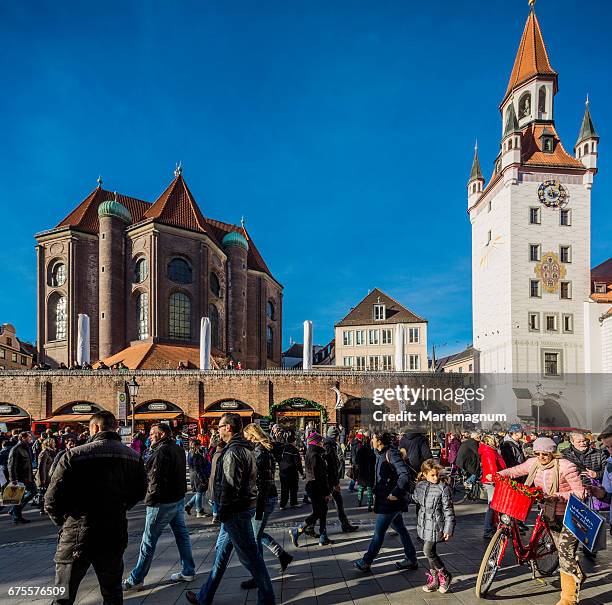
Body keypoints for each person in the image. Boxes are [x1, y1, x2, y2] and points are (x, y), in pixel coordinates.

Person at [45, 411, 147, 605]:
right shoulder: (133, 457)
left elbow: (51, 499)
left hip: (77, 531)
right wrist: (121, 506)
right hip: (113, 530)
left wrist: (64, 522)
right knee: (112, 593)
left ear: (96, 428)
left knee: (63, 595)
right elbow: (140, 491)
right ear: (115, 428)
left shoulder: (74, 455)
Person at [185, 413, 275, 605]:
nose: (217, 430)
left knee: (252, 558)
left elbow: (230, 486)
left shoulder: (233, 452)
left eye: (220, 426)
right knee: (221, 555)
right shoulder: (245, 448)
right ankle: (204, 596)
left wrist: (223, 512)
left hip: (235, 512)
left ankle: (268, 599)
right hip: (239, 510)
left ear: (229, 428)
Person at [496, 437, 585, 605]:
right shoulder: (533, 463)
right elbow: (515, 471)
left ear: (553, 452)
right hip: (549, 514)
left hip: (569, 515)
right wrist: (497, 475)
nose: (541, 457)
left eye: (545, 453)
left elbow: (581, 493)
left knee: (565, 553)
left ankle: (568, 599)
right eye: (537, 453)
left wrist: (556, 496)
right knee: (562, 552)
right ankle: (576, 575)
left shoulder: (566, 467)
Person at [124, 423, 196, 590]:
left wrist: (149, 498)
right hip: (177, 499)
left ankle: (136, 578)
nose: (149, 436)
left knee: (148, 541)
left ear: (162, 434)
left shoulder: (160, 451)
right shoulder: (178, 449)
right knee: (182, 535)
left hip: (161, 502)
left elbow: (154, 479)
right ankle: (188, 570)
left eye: (152, 433)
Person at [354, 431, 418, 572]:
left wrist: (395, 493)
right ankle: (412, 558)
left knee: (379, 532)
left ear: (380, 441)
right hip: (385, 498)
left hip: (390, 501)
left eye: (374, 438)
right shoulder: (379, 453)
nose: (371, 440)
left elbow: (404, 475)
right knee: (401, 529)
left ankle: (366, 561)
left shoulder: (391, 454)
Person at [240, 423, 293, 590]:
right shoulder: (263, 450)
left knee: (253, 539)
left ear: (253, 436)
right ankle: (282, 555)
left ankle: (259, 577)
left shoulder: (260, 453)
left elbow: (262, 482)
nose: (245, 439)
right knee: (257, 533)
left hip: (263, 499)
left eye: (247, 436)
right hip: (266, 498)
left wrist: (257, 506)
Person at [411, 459, 455, 593]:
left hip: (436, 524)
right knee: (431, 553)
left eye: (437, 474)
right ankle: (435, 580)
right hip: (424, 523)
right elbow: (415, 498)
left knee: (427, 551)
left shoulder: (443, 488)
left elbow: (449, 510)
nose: (436, 478)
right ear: (424, 474)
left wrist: (449, 528)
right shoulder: (421, 485)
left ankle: (445, 575)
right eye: (432, 475)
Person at [289, 432, 333, 546]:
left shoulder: (313, 453)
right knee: (319, 512)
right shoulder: (314, 455)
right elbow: (319, 476)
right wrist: (326, 492)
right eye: (320, 441)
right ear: (316, 442)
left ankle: (323, 537)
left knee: (322, 511)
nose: (322, 443)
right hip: (315, 488)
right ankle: (298, 530)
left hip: (313, 486)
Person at [322, 426, 358, 533]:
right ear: (335, 436)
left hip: (330, 480)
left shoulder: (329, 445)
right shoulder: (329, 447)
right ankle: (304, 527)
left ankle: (345, 524)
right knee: (322, 508)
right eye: (337, 435)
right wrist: (335, 483)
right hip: (330, 482)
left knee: (338, 503)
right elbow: (331, 467)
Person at [478, 434, 506, 539]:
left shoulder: (488, 451)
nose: (497, 441)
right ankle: (488, 530)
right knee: (492, 506)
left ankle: (492, 527)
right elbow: (492, 468)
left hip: (491, 481)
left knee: (493, 505)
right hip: (492, 481)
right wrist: (495, 479)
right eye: (495, 440)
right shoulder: (489, 452)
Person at [7, 431, 35, 524]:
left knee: (33, 491)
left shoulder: (26, 447)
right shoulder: (16, 449)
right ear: (23, 438)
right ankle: (16, 517)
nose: (31, 439)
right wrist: (13, 479)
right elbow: (11, 465)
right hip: (20, 477)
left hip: (27, 476)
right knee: (19, 496)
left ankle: (14, 510)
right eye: (29, 437)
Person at [278, 430, 304, 509]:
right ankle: (293, 503)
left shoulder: (283, 448)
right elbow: (298, 463)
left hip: (283, 471)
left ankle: (283, 504)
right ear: (293, 442)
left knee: (284, 489)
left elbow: (279, 458)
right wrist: (302, 473)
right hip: (292, 472)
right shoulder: (294, 450)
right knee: (293, 488)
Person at [185, 439, 210, 518]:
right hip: (197, 476)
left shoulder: (190, 453)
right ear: (196, 445)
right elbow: (198, 468)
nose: (200, 446)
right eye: (199, 444)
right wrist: (203, 479)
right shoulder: (195, 455)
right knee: (200, 493)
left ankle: (189, 505)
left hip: (194, 475)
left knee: (200, 492)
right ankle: (199, 511)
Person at [36, 438, 57, 515]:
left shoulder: (50, 452)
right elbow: (42, 467)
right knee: (44, 493)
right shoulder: (44, 453)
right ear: (48, 444)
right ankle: (42, 509)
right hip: (45, 476)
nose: (54, 443)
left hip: (49, 475)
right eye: (52, 442)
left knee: (46, 493)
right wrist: (43, 479)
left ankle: (45, 508)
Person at [355, 433, 376, 511]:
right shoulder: (371, 451)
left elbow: (356, 461)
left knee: (360, 488)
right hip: (369, 471)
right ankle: (369, 505)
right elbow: (374, 461)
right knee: (369, 489)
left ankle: (359, 501)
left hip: (362, 471)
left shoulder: (360, 451)